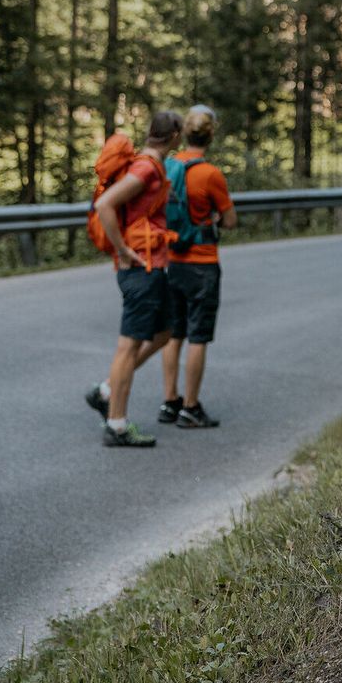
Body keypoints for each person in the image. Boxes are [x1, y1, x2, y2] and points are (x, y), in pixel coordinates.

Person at [85, 110, 183, 447]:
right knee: (128, 347)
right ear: (174, 136)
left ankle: (106, 390)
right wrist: (123, 250)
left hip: (152, 267)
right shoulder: (146, 167)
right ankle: (117, 425)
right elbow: (106, 205)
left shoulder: (149, 163)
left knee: (166, 330)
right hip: (140, 268)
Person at [159, 104, 237, 429]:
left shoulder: (167, 166)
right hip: (203, 264)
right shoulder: (210, 174)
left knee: (174, 334)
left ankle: (170, 401)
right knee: (198, 337)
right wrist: (216, 217)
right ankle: (191, 407)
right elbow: (230, 220)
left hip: (173, 260)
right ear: (210, 135)